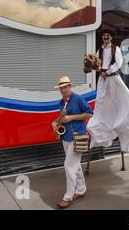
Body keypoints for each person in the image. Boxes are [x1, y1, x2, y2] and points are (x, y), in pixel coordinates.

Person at [87, 29, 129, 155]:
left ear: (111, 37)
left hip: (113, 78)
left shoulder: (116, 49)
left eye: (107, 36)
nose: (106, 38)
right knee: (101, 102)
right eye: (104, 36)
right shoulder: (100, 50)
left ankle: (121, 123)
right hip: (103, 80)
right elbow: (97, 62)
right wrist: (95, 67)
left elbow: (118, 63)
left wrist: (106, 72)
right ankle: (102, 129)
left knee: (122, 100)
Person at [52, 76, 93, 209]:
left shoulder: (78, 99)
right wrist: (56, 121)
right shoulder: (61, 102)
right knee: (76, 165)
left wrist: (71, 118)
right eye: (61, 88)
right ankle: (81, 190)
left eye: (65, 87)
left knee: (69, 165)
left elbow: (89, 113)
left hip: (78, 136)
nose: (63, 90)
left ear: (70, 87)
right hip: (66, 137)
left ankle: (68, 197)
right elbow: (63, 117)